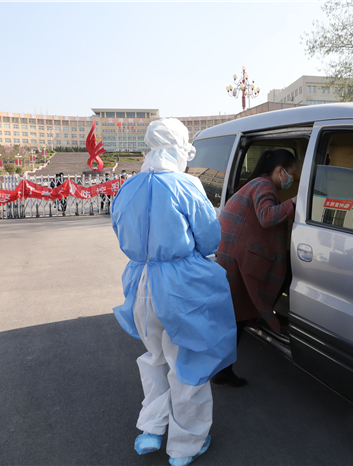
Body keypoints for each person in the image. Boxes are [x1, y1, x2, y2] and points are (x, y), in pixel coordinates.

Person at [111, 118, 237, 466]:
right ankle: (185, 445)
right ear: (181, 148)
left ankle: (151, 429)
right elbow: (209, 238)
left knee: (154, 356)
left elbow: (120, 230)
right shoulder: (186, 185)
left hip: (140, 281)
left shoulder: (129, 186)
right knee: (188, 362)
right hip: (182, 286)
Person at [213, 149, 297, 387]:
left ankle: (222, 369)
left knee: (235, 316)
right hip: (238, 260)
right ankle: (222, 371)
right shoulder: (264, 186)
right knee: (236, 318)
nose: (292, 180)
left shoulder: (257, 183)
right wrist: (294, 202)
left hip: (232, 255)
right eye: (292, 174)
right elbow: (267, 216)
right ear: (280, 171)